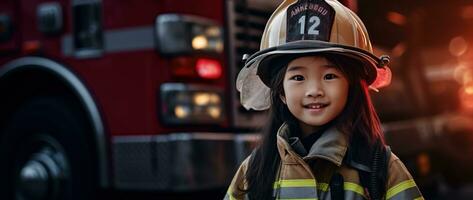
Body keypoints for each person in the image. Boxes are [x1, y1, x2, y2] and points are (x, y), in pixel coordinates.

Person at [225, 0, 423, 199]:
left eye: (329, 76)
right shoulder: (255, 169)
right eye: (298, 78)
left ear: (352, 86)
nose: (314, 90)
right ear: (281, 93)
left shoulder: (379, 166)